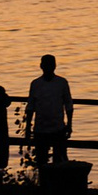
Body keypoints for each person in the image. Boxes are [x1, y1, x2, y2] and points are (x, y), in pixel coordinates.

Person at [23, 53, 74, 183]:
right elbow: (30, 107)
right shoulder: (36, 84)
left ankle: (57, 185)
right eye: (46, 65)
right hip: (41, 128)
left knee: (59, 160)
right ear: (41, 66)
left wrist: (69, 125)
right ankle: (45, 186)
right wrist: (28, 128)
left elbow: (68, 105)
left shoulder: (61, 83)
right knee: (41, 162)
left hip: (57, 128)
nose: (48, 67)